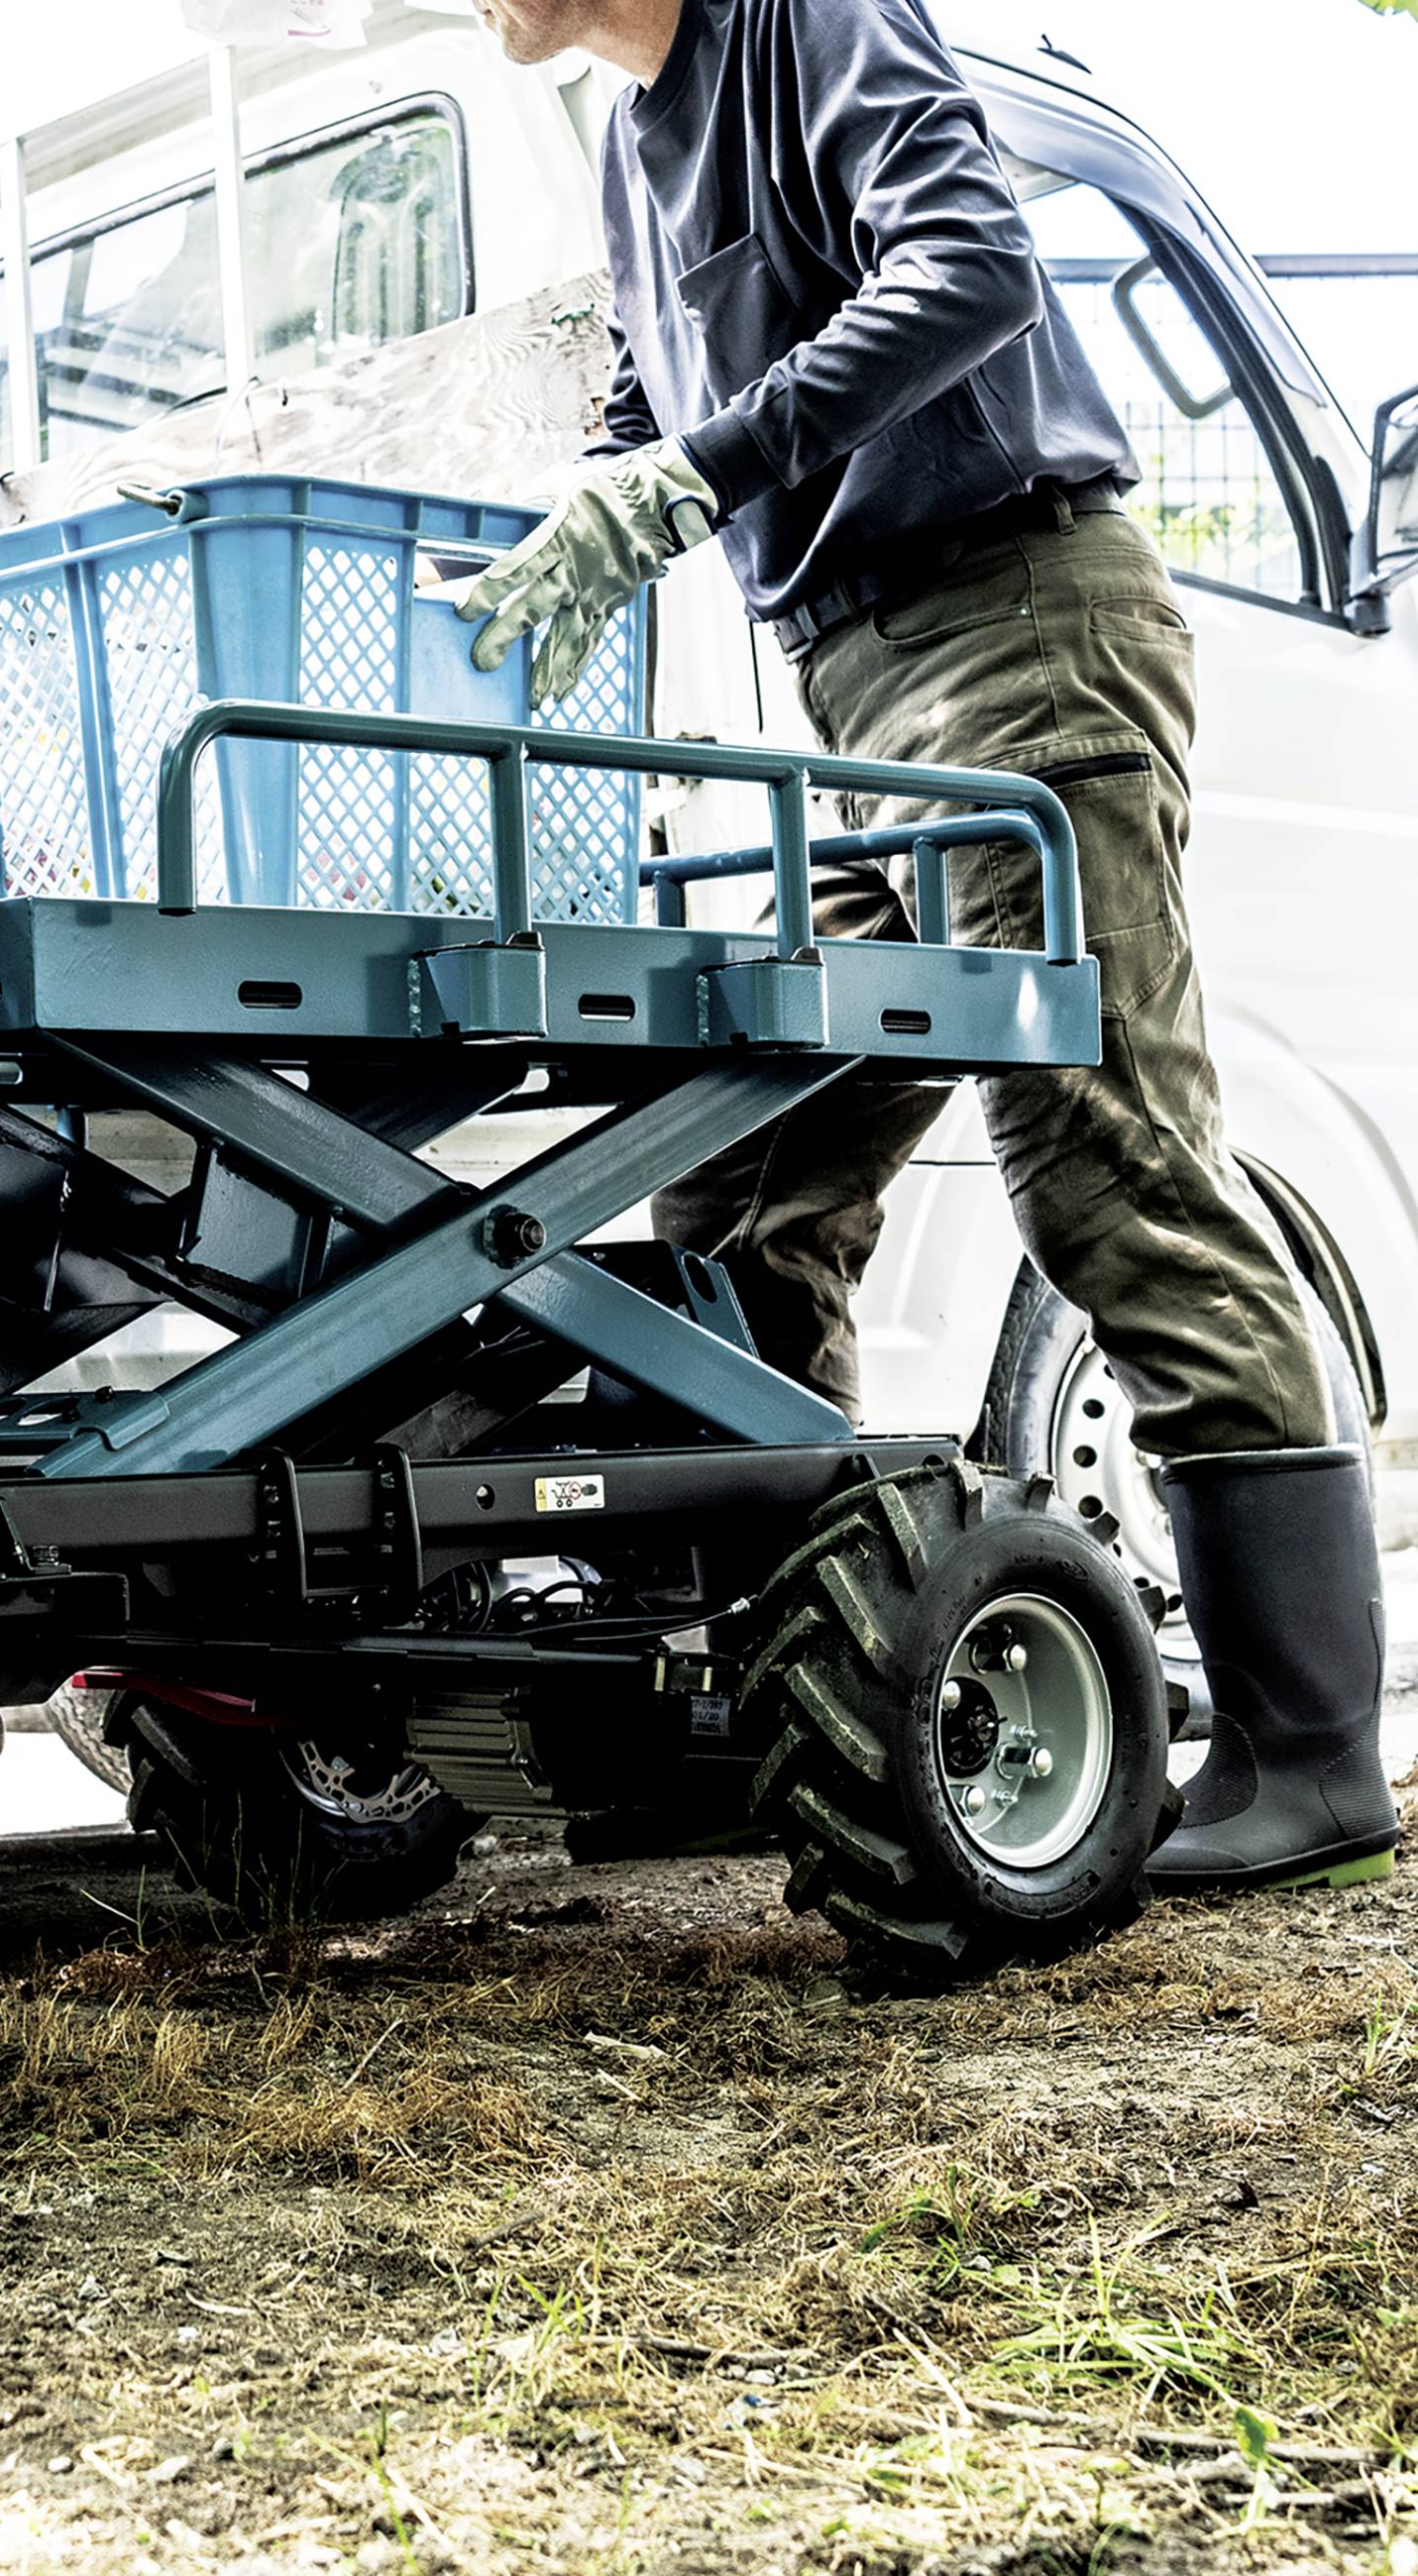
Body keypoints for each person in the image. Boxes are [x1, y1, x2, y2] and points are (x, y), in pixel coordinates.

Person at [458, 0, 1396, 1891]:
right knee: (736, 1162)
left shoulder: (806, 18)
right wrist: (603, 486)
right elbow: (673, 409)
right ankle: (765, 1708)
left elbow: (967, 268)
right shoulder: (634, 142)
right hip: (853, 695)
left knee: (1102, 1152)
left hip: (1016, 635)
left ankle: (1310, 1759)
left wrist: (695, 472)